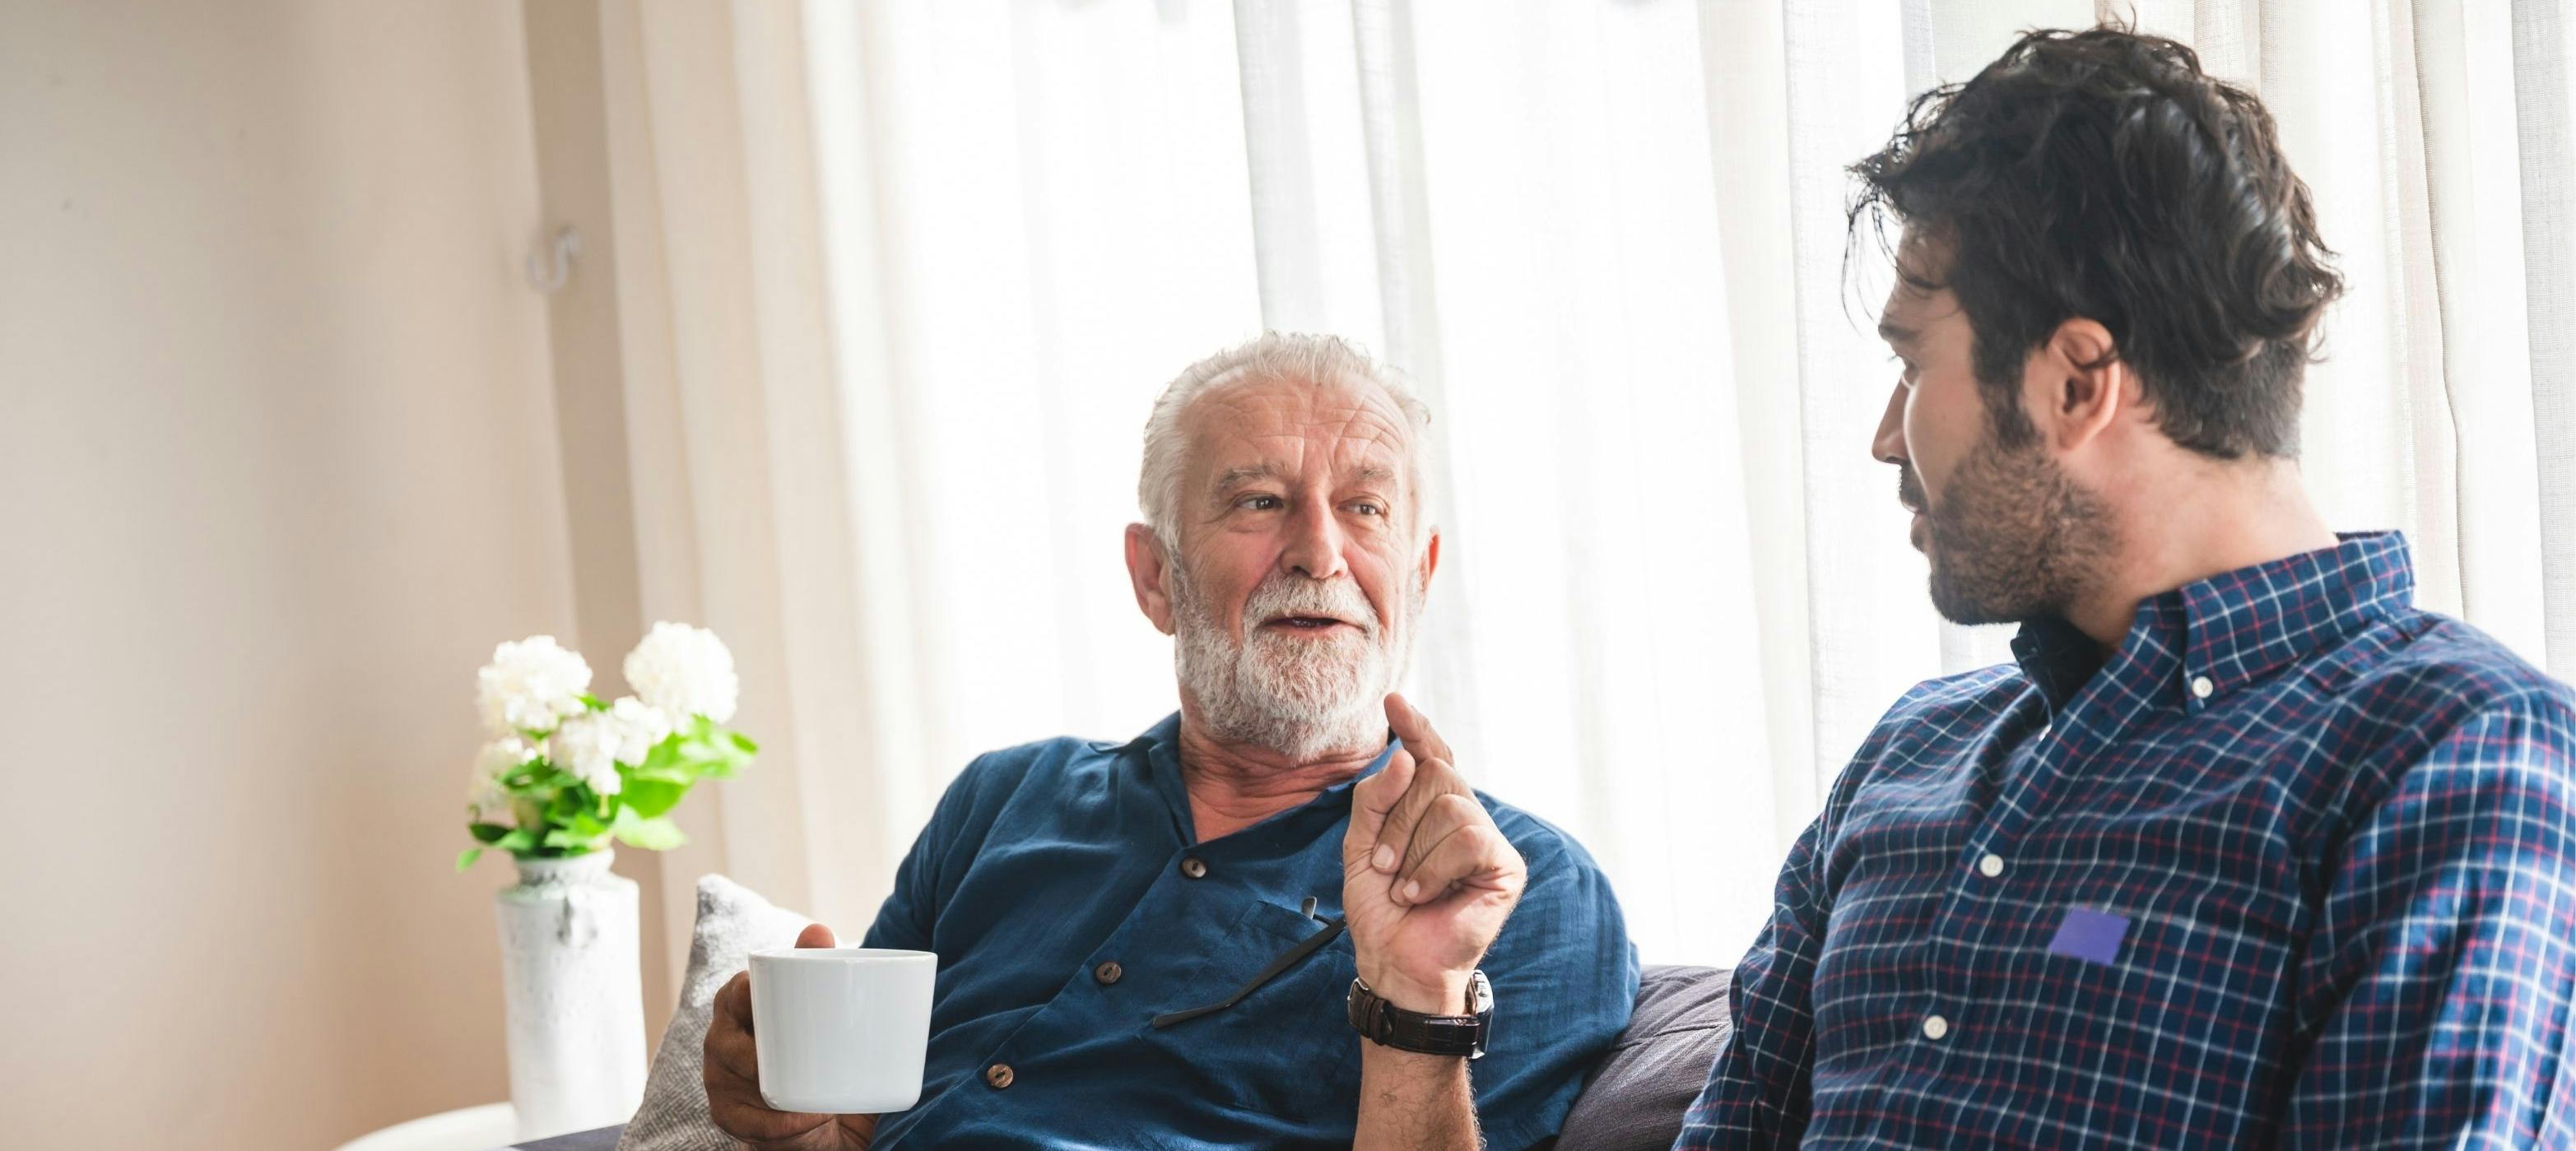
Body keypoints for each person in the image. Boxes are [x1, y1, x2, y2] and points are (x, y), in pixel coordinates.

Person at [1680, 25, 2576, 1149]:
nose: (1880, 438)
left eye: (1911, 363)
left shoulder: (2453, 754)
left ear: (2073, 382)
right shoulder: (1908, 755)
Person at [704, 333, 1638, 1150]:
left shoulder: (1519, 890)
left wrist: (1416, 994)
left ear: (1419, 574)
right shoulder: (1003, 799)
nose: (1319, 551)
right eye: (1260, 501)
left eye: (1366, 508)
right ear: (1155, 577)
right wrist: (801, 1119)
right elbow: (856, 1125)